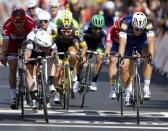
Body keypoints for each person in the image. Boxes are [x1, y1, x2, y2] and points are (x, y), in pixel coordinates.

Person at [1, 8, 36, 109]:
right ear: (12, 20)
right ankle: (13, 96)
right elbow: (5, 43)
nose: (18, 23)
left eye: (21, 21)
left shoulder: (31, 23)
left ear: (25, 19)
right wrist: (3, 55)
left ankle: (32, 88)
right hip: (12, 43)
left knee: (29, 62)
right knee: (12, 65)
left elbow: (33, 42)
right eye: (15, 21)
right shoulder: (7, 25)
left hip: (26, 42)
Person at [118, 12, 155, 106]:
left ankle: (146, 88)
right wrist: (121, 57)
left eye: (140, 29)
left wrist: (151, 55)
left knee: (148, 57)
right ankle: (128, 91)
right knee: (123, 66)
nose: (138, 31)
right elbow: (122, 43)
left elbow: (151, 41)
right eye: (136, 29)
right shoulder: (125, 23)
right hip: (128, 42)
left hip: (141, 41)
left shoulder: (149, 23)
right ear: (133, 24)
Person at [53, 9, 87, 95]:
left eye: (69, 31)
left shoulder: (76, 31)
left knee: (73, 53)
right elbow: (50, 44)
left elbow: (84, 46)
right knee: (58, 69)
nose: (66, 33)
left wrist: (82, 55)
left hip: (70, 46)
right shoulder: (55, 31)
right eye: (63, 31)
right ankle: (57, 88)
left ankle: (72, 70)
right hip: (59, 47)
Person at [24, 29, 58, 110]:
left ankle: (50, 82)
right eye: (45, 48)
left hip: (42, 47)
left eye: (48, 48)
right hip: (33, 52)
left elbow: (54, 52)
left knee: (52, 58)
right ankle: (33, 96)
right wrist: (26, 59)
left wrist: (55, 56)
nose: (47, 49)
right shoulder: (31, 41)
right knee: (27, 69)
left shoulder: (50, 41)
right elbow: (27, 52)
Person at [80, 14, 107, 91]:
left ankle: (94, 81)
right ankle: (78, 79)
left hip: (98, 43)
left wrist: (106, 53)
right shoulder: (85, 28)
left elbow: (108, 43)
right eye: (95, 28)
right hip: (87, 41)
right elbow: (78, 38)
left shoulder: (105, 31)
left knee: (99, 57)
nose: (98, 30)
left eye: (99, 28)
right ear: (91, 26)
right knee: (81, 57)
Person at [105, 18, 122, 99]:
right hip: (115, 44)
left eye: (120, 30)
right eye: (117, 30)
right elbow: (108, 45)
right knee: (112, 60)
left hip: (127, 43)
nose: (118, 32)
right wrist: (107, 54)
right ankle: (113, 87)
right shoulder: (111, 30)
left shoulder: (129, 31)